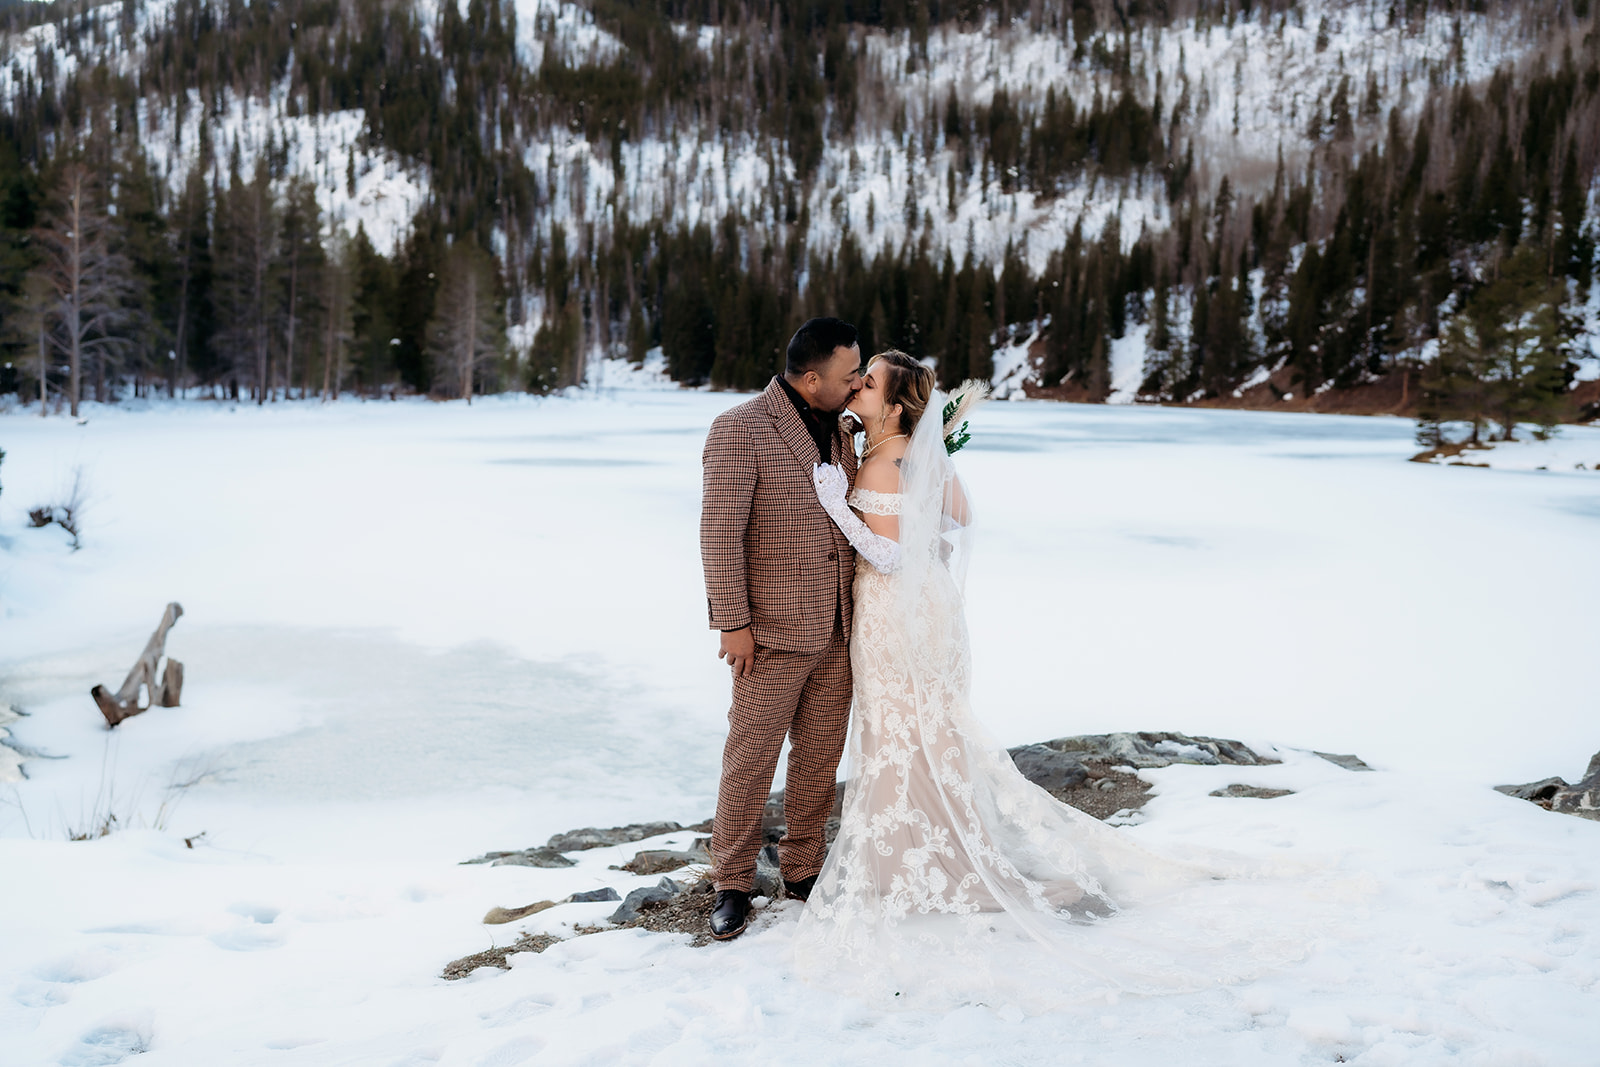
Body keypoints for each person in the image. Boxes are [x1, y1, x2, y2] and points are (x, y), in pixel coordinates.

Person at [793, 351, 1328, 1009]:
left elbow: (887, 551)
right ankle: (925, 851)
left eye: (869, 382)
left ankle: (915, 861)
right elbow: (957, 516)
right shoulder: (919, 454)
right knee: (928, 731)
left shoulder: (881, 460)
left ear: (897, 406)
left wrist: (837, 509)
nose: (858, 386)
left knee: (900, 730)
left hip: (893, 612)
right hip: (931, 609)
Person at [699, 317, 864, 941]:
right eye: (849, 375)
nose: (857, 384)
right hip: (768, 630)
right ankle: (734, 883)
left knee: (821, 759)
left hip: (841, 628)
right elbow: (721, 532)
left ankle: (801, 870)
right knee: (750, 759)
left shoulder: (849, 429)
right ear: (813, 377)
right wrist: (731, 622)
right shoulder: (739, 428)